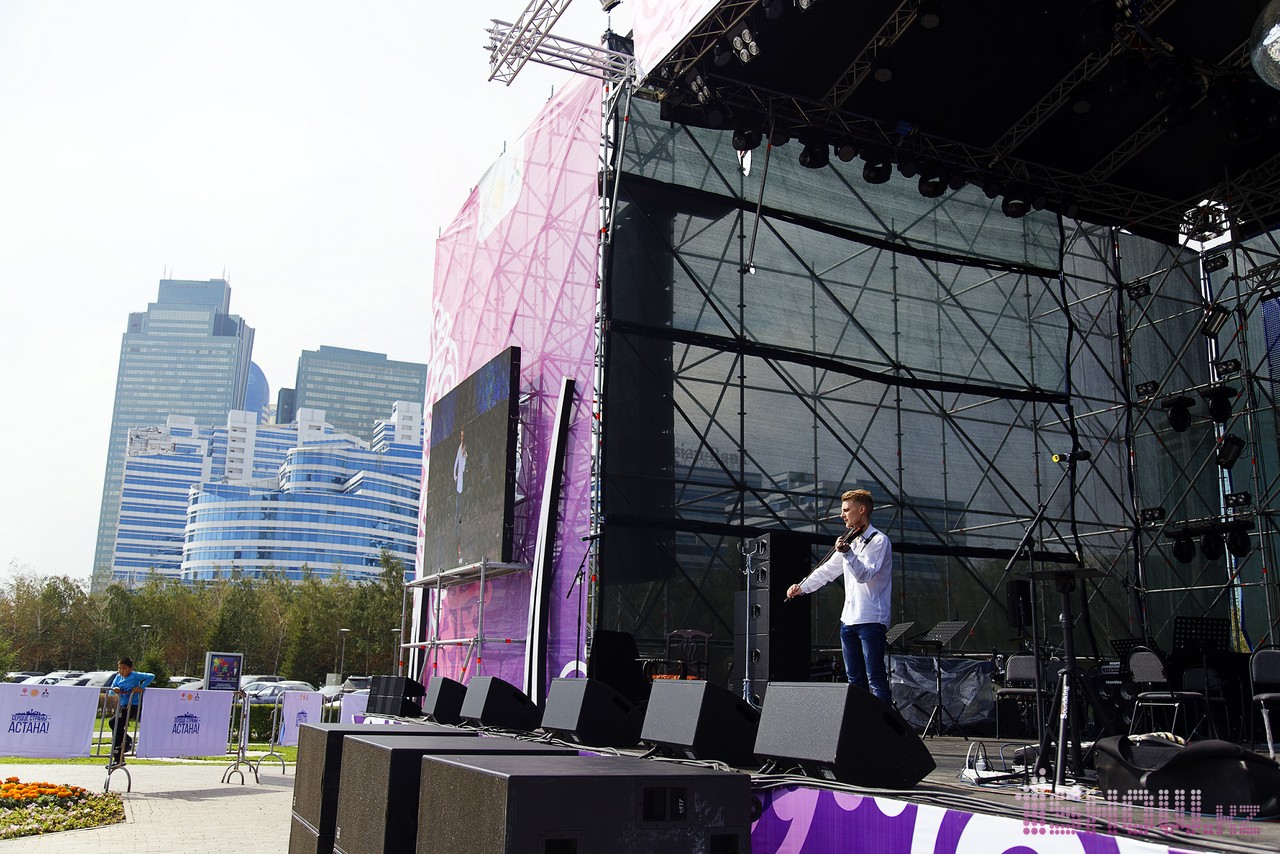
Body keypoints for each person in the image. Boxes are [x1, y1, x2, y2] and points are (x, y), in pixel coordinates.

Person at [786, 489, 893, 704]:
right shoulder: (849, 541)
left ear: (861, 509)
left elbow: (864, 575)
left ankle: (881, 723)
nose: (842, 515)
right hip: (848, 620)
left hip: (871, 619)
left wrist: (848, 553)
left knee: (875, 678)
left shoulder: (879, 541)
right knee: (854, 680)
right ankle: (858, 721)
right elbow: (827, 571)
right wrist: (802, 586)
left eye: (846, 510)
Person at [107, 657, 154, 762]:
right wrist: (115, 690)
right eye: (119, 668)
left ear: (130, 668)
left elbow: (151, 676)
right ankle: (119, 754)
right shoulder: (118, 677)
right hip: (122, 705)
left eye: (124, 668)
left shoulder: (135, 676)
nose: (121, 671)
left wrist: (141, 687)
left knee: (114, 723)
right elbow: (111, 691)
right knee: (115, 726)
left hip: (133, 705)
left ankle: (124, 746)